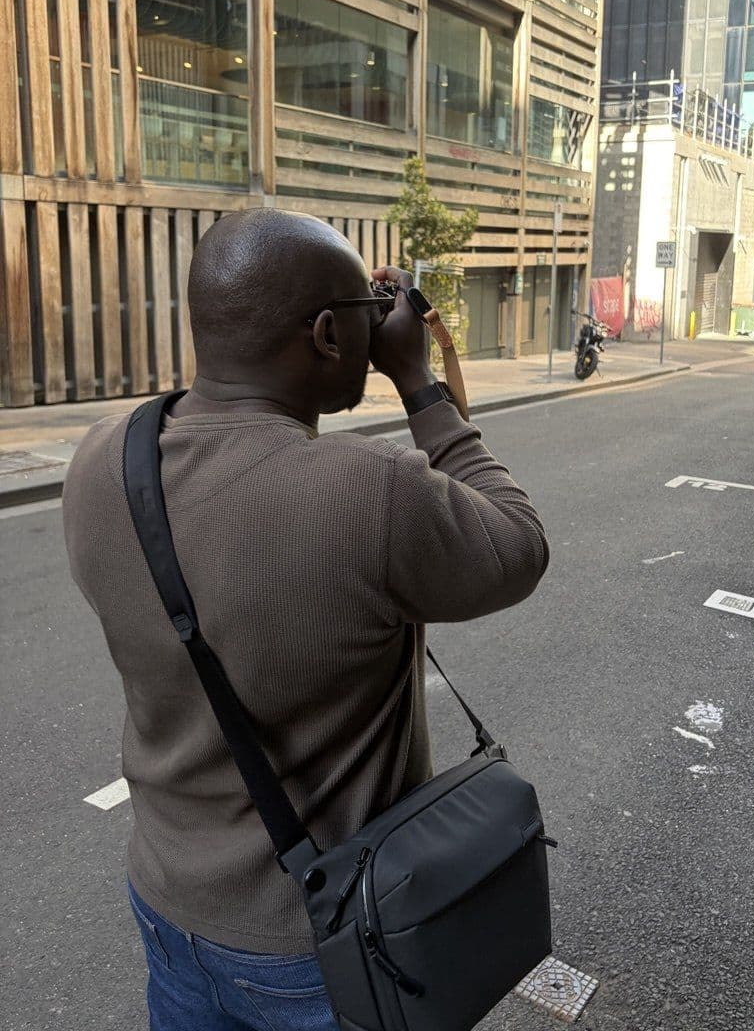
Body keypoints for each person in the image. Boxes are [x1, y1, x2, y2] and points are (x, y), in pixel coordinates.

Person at [62, 209, 549, 1031]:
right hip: (318, 942)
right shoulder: (372, 491)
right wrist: (419, 383)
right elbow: (517, 544)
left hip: (168, 902)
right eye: (363, 313)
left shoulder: (103, 456)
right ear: (328, 334)